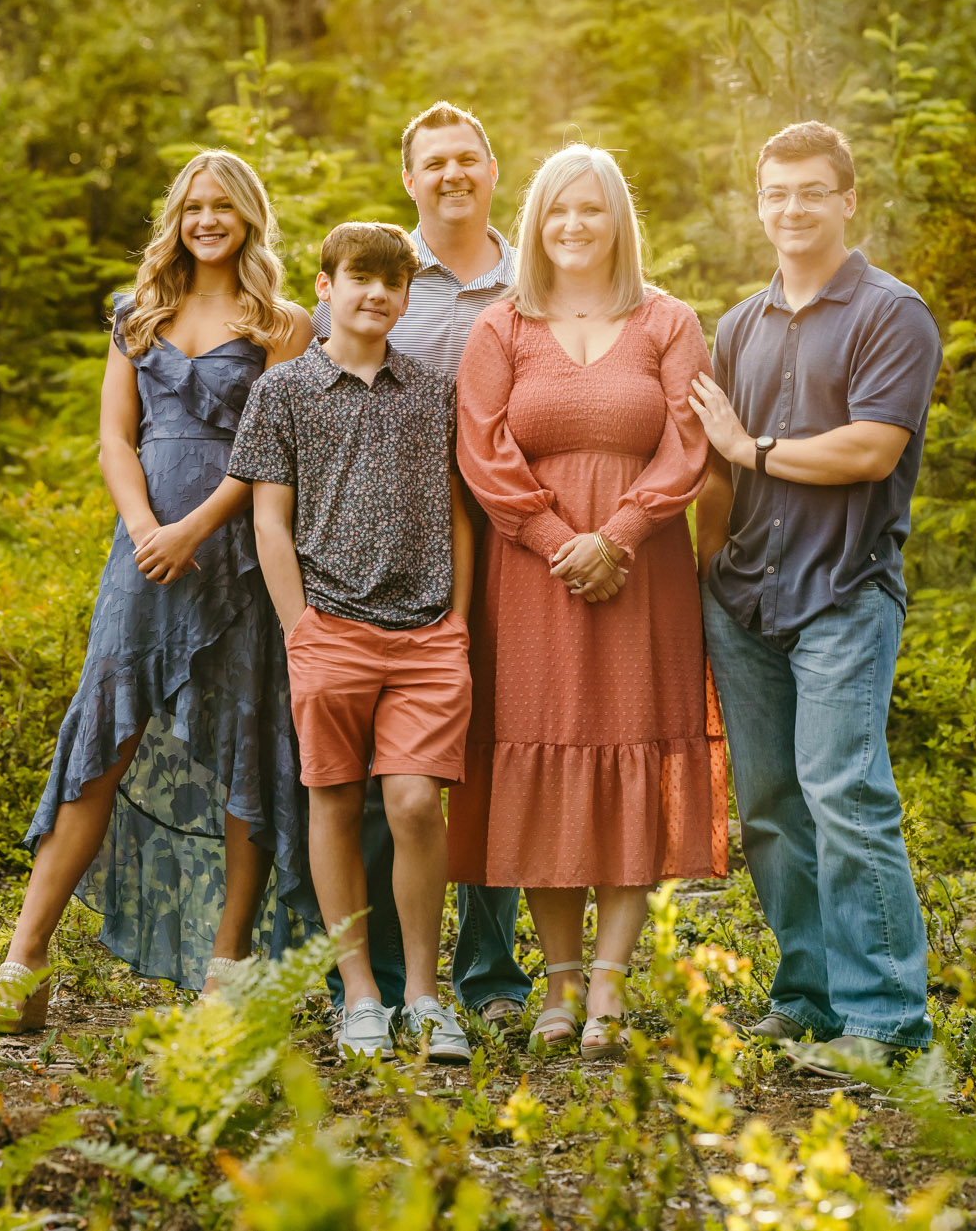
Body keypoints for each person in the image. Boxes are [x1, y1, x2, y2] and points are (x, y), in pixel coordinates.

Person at [0, 150, 316, 1032]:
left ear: (248, 216)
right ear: (175, 218)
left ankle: (226, 976)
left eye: (222, 206)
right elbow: (113, 438)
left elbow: (274, 451)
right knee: (103, 740)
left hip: (238, 553)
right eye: (192, 206)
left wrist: (195, 528)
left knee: (250, 751)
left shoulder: (285, 323)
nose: (206, 219)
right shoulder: (139, 316)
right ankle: (22, 968)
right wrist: (142, 529)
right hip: (142, 557)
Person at [452, 144, 721, 1058]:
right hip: (532, 580)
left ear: (618, 222)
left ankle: (609, 983)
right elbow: (483, 451)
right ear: (535, 223)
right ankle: (558, 986)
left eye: (591, 210)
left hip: (643, 580)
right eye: (557, 211)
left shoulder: (668, 321)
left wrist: (622, 534)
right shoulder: (502, 328)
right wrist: (557, 538)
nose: (573, 226)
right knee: (548, 760)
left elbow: (689, 446)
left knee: (629, 752)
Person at [687, 120, 943, 1075]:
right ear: (759, 204)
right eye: (775, 193)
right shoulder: (740, 324)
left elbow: (871, 449)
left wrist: (753, 449)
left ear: (847, 200)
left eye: (810, 192)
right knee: (769, 807)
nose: (791, 209)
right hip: (744, 596)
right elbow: (716, 476)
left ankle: (884, 1021)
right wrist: (701, 578)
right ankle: (808, 997)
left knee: (846, 795)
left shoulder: (890, 312)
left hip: (843, 589)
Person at [232, 221, 478, 1063]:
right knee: (333, 802)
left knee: (412, 801)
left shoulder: (433, 391)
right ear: (325, 286)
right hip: (328, 628)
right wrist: (300, 627)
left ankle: (422, 991)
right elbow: (270, 518)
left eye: (393, 282)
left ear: (408, 297)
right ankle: (360, 996)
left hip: (426, 634)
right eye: (360, 278)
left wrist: (460, 617)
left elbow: (456, 510)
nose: (377, 293)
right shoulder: (285, 392)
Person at [311, 101, 532, 1031]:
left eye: (467, 157)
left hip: (513, 541)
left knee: (503, 750)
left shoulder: (536, 279)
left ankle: (485, 968)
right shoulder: (384, 272)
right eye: (433, 161)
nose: (452, 173)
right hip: (388, 563)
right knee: (377, 774)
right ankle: (378, 975)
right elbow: (314, 353)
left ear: (492, 169)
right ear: (409, 180)